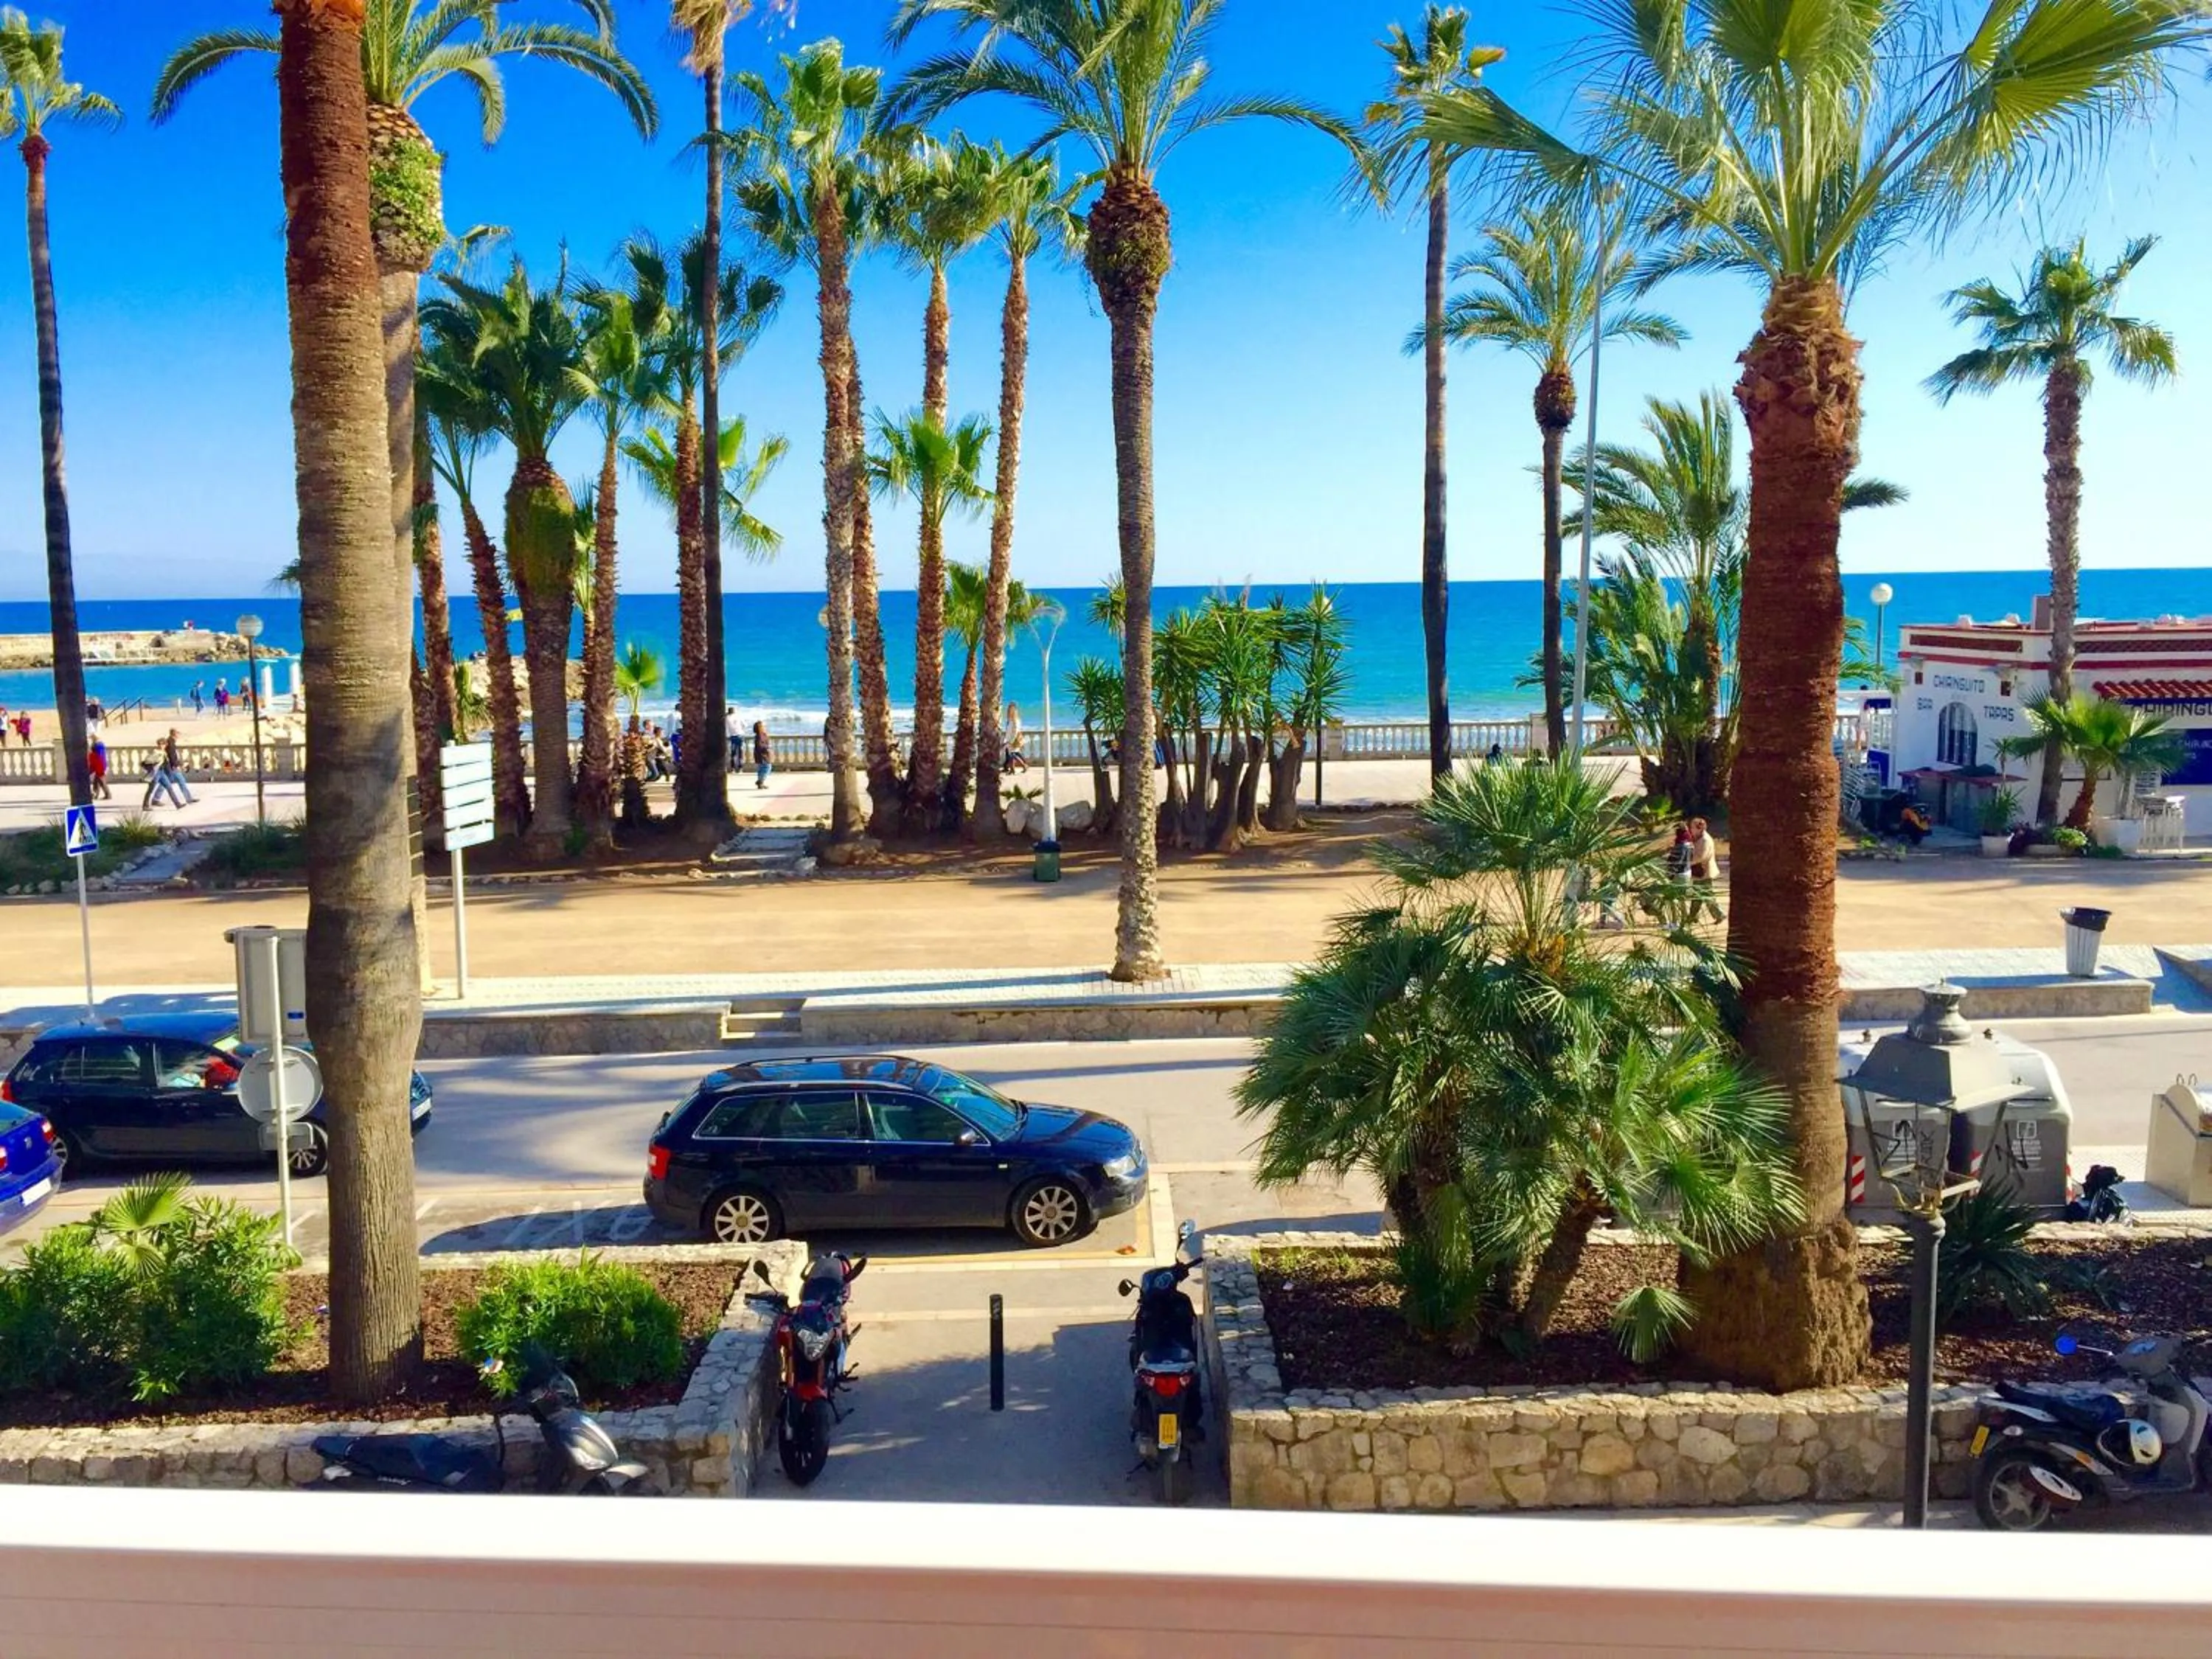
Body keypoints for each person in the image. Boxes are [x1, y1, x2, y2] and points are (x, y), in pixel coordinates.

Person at [1685, 815, 1722, 922]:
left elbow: (1701, 856)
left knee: (1706, 896)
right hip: (1700, 872)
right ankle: (1693, 917)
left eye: (1692, 827)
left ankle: (1719, 915)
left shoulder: (1705, 840)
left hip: (1704, 872)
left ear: (1699, 828)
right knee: (1698, 896)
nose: (1691, 829)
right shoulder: (1698, 837)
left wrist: (1688, 863)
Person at [1001, 701, 1028, 773]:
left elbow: (1016, 731)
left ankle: (1024, 766)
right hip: (1009, 739)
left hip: (1014, 739)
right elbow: (1008, 731)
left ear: (1015, 711)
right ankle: (1012, 769)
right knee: (1011, 754)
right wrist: (1005, 740)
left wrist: (1012, 741)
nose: (1010, 711)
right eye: (1009, 710)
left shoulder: (1016, 720)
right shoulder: (1010, 720)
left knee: (1013, 754)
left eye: (1011, 710)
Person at [86, 735, 110, 801]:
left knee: (100, 781)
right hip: (100, 766)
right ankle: (96, 794)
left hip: (99, 766)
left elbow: (97, 757)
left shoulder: (98, 746)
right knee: (97, 781)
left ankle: (106, 794)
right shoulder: (99, 745)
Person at [752, 720, 772, 790]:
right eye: (763, 726)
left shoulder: (762, 735)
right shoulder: (760, 736)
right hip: (762, 755)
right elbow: (760, 745)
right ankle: (760, 781)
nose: (765, 727)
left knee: (761, 769)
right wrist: (767, 748)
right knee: (767, 767)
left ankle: (761, 783)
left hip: (761, 754)